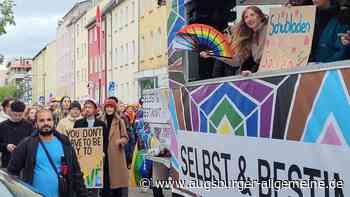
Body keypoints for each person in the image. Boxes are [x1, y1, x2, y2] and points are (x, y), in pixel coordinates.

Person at [7, 109, 88, 197]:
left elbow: (76, 172)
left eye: (49, 120)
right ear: (36, 124)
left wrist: (83, 194)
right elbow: (12, 172)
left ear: (54, 122)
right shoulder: (27, 144)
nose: (46, 123)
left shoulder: (64, 142)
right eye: (42, 120)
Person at [200, 6, 268, 76]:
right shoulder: (248, 39)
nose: (249, 19)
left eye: (252, 15)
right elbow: (237, 61)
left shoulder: (270, 29)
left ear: (260, 16)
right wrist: (213, 54)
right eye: (246, 17)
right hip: (262, 72)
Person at [73, 99, 107, 197]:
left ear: (95, 110)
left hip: (96, 159)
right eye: (86, 107)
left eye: (90, 107)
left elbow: (105, 141)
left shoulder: (101, 124)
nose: (87, 109)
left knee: (94, 184)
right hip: (82, 158)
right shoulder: (78, 123)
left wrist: (103, 152)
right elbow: (76, 140)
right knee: (82, 182)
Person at [100, 99, 129, 197]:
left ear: (114, 108)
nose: (109, 109)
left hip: (116, 154)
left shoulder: (120, 121)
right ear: (104, 108)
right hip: (103, 154)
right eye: (107, 107)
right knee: (105, 181)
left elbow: (125, 137)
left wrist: (121, 141)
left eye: (111, 107)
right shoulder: (100, 120)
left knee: (116, 183)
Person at [0, 100, 33, 168]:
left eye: (20, 115)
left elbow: (33, 142)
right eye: (15, 115)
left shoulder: (28, 125)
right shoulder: (2, 126)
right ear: (11, 112)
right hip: (8, 162)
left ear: (23, 113)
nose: (17, 117)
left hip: (24, 163)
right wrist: (6, 146)